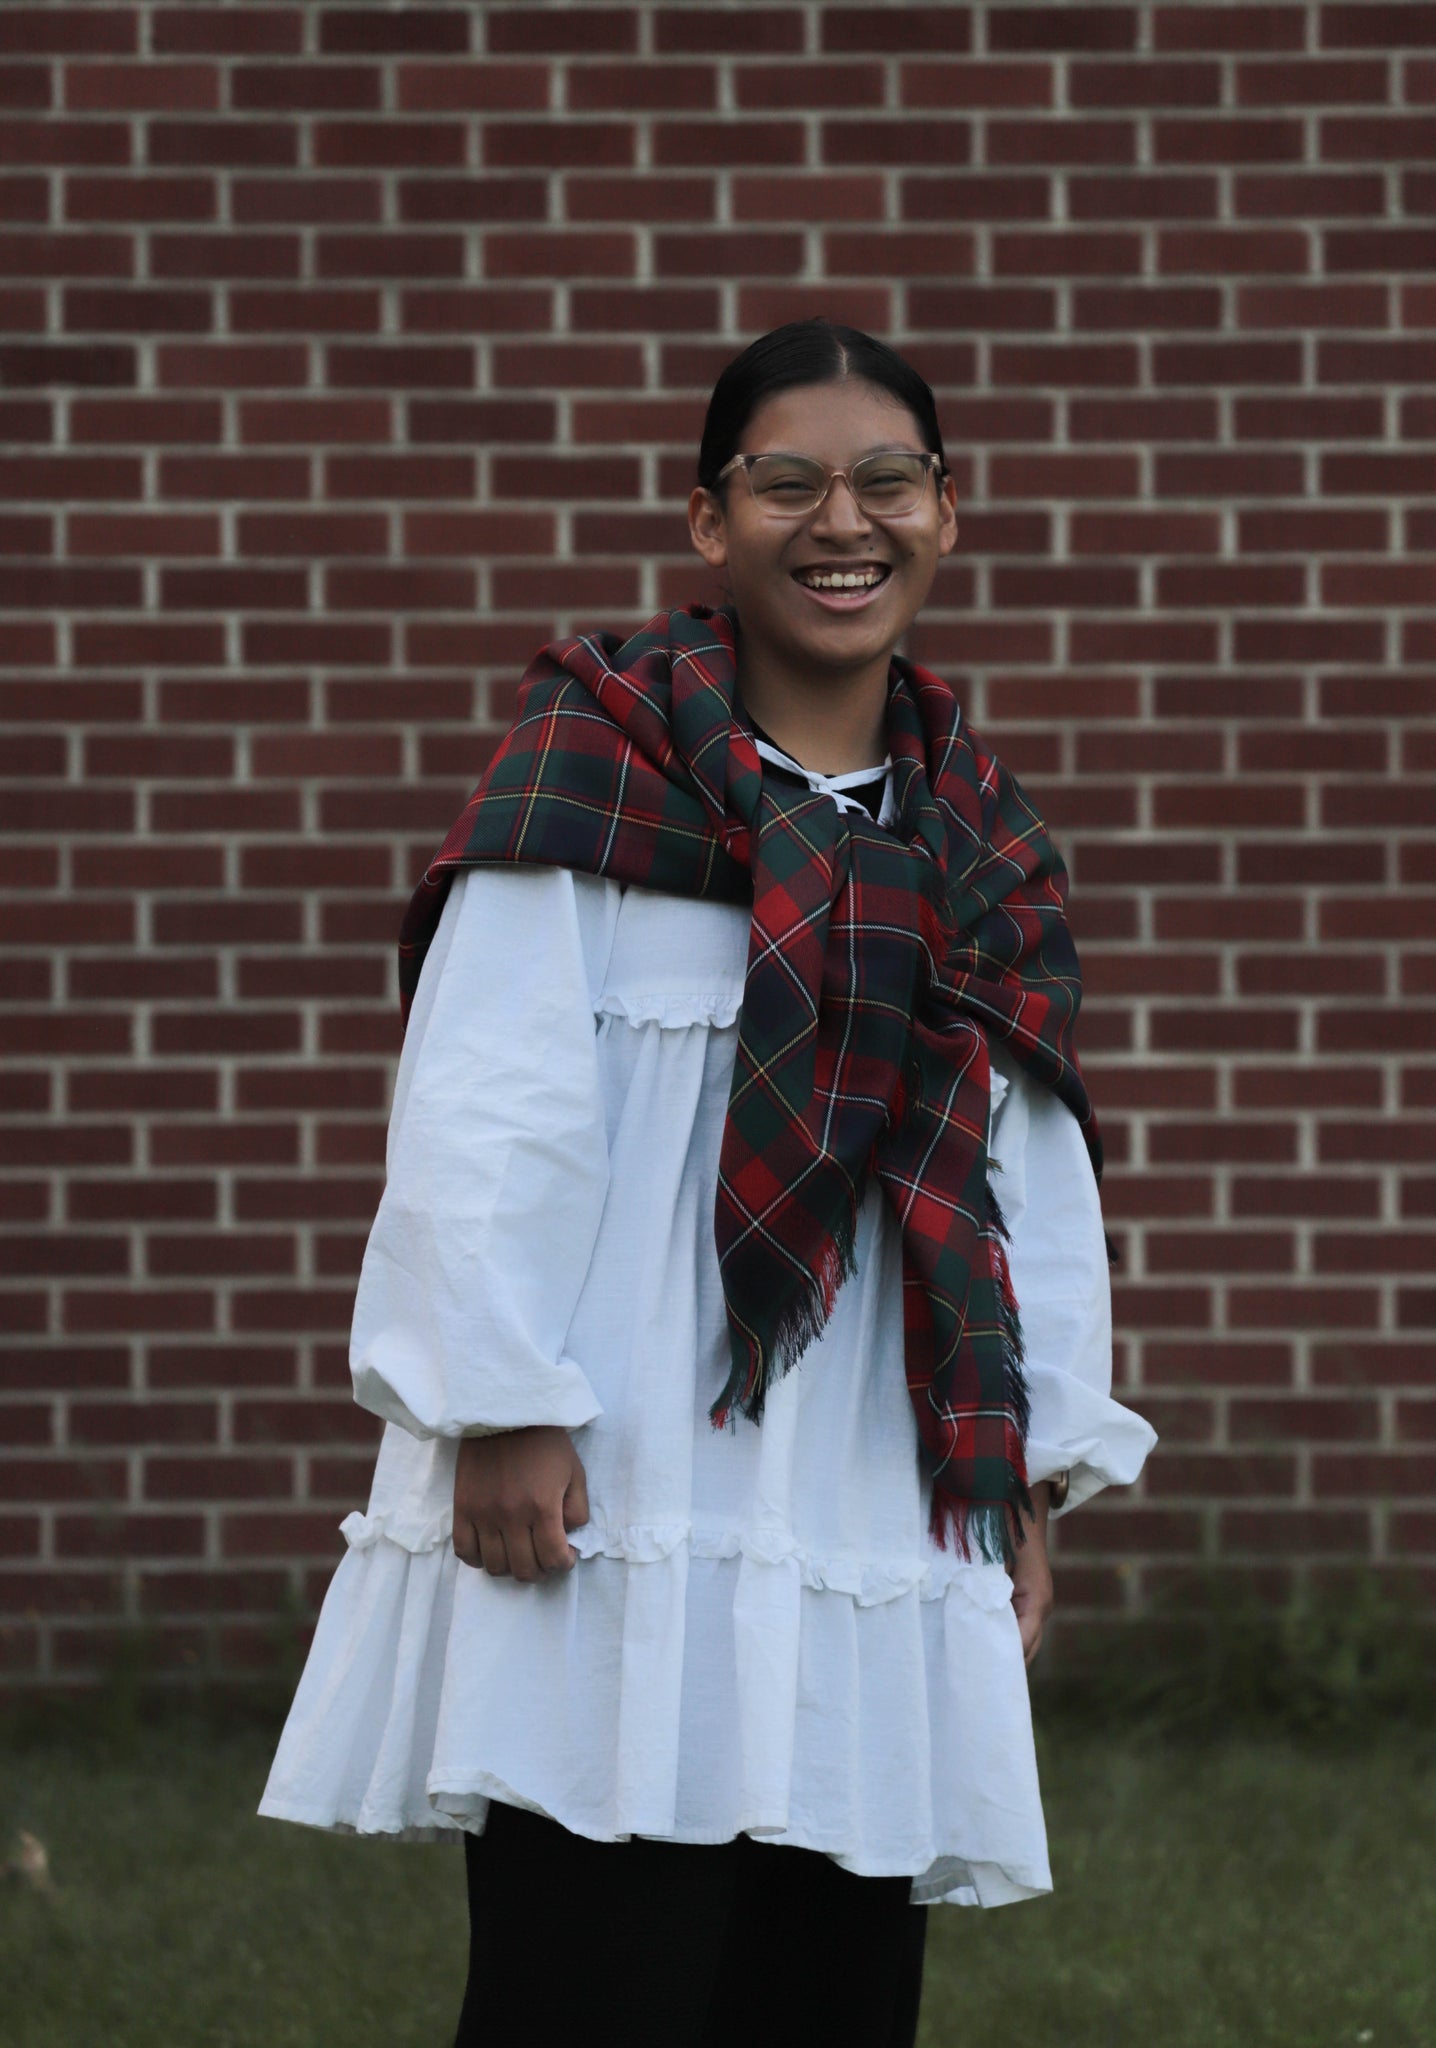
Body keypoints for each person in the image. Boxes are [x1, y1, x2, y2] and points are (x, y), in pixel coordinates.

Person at [259, 319, 1156, 2048]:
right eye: (791, 482)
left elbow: (1024, 1174)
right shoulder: (592, 783)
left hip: (865, 1494)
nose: (847, 520)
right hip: (619, 1482)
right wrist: (499, 1405)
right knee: (596, 1982)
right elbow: (486, 1111)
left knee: (830, 1988)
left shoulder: (976, 842)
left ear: (947, 515)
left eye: (890, 479)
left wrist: (1021, 1474)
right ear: (707, 522)